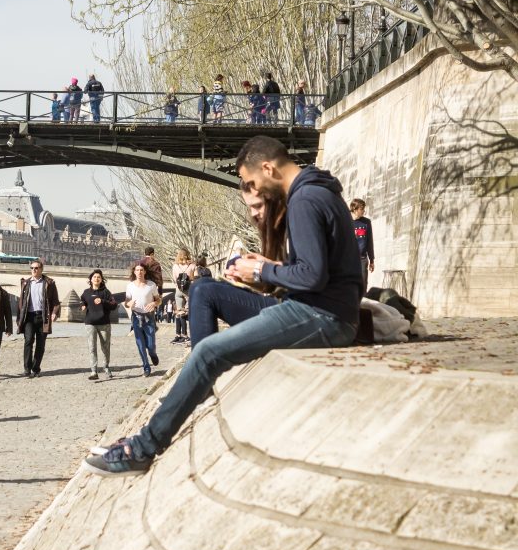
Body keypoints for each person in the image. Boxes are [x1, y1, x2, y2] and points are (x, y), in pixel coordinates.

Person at [85, 135, 362, 476]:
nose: (254, 191)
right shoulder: (317, 192)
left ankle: (142, 449)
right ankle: (185, 397)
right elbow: (315, 271)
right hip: (322, 310)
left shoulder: (305, 198)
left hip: (322, 315)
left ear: (267, 167)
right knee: (205, 299)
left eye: (252, 182)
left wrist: (261, 268)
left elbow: (312, 275)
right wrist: (266, 271)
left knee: (208, 353)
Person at [183, 181, 287, 347]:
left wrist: (262, 268)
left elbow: (308, 276)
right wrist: (250, 278)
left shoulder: (300, 215)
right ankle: (201, 360)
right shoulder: (277, 230)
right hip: (282, 303)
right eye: (250, 207)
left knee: (204, 291)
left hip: (293, 311)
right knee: (199, 285)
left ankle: (203, 364)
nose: (254, 213)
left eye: (258, 206)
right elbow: (284, 280)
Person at [16, 259, 61, 378]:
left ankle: (36, 368)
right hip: (29, 316)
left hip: (43, 317)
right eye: (32, 268)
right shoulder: (25, 283)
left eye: (36, 268)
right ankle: (27, 368)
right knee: (28, 341)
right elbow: (21, 302)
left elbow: (55, 301)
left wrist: (54, 313)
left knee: (40, 344)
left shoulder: (49, 283)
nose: (33, 270)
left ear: (41, 269)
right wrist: (18, 318)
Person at [124, 264, 161, 377]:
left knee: (150, 345)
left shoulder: (151, 285)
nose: (139, 272)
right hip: (136, 317)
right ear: (134, 272)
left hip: (149, 317)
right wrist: (128, 304)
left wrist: (154, 303)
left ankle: (153, 354)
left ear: (145, 272)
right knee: (140, 344)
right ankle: (146, 366)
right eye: (137, 270)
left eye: (141, 270)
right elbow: (126, 302)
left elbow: (158, 299)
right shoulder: (130, 286)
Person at [80, 269, 116, 380]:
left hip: (104, 323)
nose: (96, 278)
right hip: (90, 323)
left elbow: (114, 305)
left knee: (105, 347)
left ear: (101, 279)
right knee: (92, 347)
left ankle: (106, 367)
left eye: (98, 277)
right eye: (94, 277)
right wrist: (83, 305)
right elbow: (82, 300)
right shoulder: (86, 292)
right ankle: (93, 371)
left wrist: (103, 301)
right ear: (91, 279)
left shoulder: (106, 292)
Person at [351, 198, 375, 293]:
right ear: (355, 209)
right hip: (348, 260)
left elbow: (369, 242)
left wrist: (372, 260)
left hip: (362, 259)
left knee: (363, 285)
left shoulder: (366, 222)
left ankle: (362, 306)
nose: (364, 211)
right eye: (362, 209)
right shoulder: (345, 221)